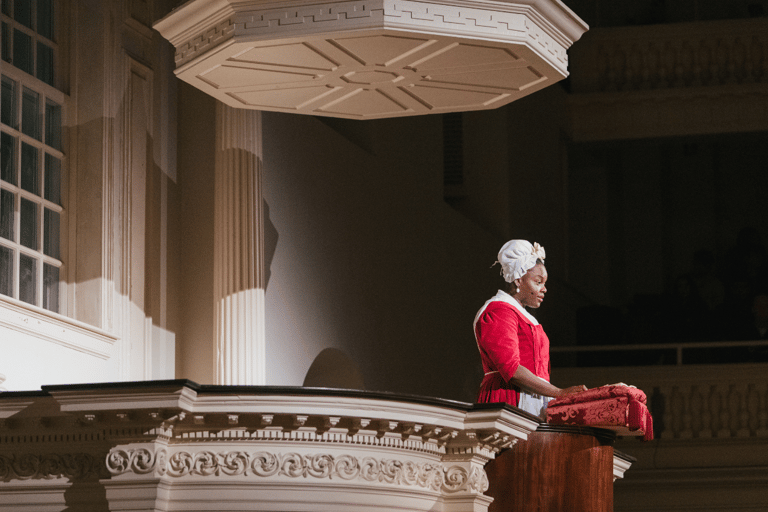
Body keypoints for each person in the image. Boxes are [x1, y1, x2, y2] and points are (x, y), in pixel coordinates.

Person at [474, 239, 587, 418]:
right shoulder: (499, 310)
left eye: (544, 283)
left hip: (534, 397)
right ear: (518, 279)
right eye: (538, 281)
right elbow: (512, 370)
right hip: (510, 397)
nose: (544, 289)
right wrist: (559, 392)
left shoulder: (525, 316)